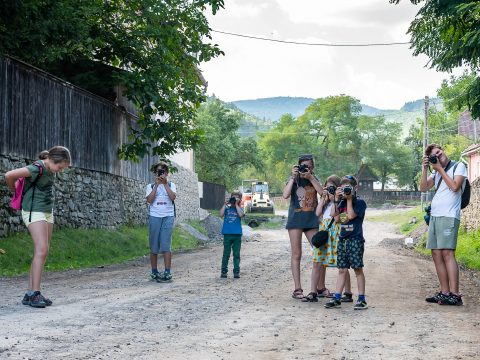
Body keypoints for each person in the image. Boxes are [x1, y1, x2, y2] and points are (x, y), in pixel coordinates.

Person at [5, 146, 71, 308]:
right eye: (60, 167)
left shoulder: (49, 168)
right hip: (34, 211)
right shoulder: (36, 168)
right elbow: (9, 175)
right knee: (41, 249)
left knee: (43, 251)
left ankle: (30, 294)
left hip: (47, 212)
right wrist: (14, 190)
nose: (60, 171)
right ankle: (35, 292)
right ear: (53, 160)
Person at [419, 143, 467, 306]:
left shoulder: (458, 166)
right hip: (435, 216)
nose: (438, 156)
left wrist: (439, 168)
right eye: (434, 156)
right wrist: (426, 168)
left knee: (447, 253)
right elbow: (423, 188)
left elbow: (454, 187)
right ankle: (444, 292)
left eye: (439, 153)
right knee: (436, 254)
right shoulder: (436, 172)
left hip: (449, 216)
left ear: (443, 151)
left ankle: (455, 294)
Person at [302, 175, 353, 302]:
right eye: (328, 187)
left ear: (338, 188)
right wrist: (324, 198)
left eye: (333, 188)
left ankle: (347, 292)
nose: (330, 190)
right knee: (317, 262)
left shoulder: (342, 201)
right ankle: (313, 292)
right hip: (324, 234)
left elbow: (336, 218)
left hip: (337, 234)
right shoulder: (325, 202)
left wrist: (335, 199)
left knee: (342, 264)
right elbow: (317, 213)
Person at [283, 154, 323, 299]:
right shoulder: (294, 179)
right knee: (296, 254)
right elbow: (286, 195)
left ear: (313, 167)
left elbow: (322, 194)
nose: (306, 169)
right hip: (296, 220)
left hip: (311, 220)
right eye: (304, 166)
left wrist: (311, 177)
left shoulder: (314, 179)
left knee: (320, 251)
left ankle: (320, 287)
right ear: (298, 166)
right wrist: (293, 177)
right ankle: (297, 289)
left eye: (309, 166)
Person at [325, 175, 368, 310]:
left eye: (348, 189)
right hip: (342, 240)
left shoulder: (360, 203)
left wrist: (349, 199)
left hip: (355, 240)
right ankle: (337, 297)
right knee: (342, 270)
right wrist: (336, 200)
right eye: (343, 189)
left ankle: (362, 299)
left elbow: (350, 216)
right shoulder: (341, 202)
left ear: (355, 188)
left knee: (357, 269)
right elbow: (335, 217)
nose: (345, 192)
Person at [146, 161, 177, 283]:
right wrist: (157, 185)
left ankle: (167, 272)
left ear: (167, 173)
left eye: (163, 171)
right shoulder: (150, 186)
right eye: (159, 171)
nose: (161, 173)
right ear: (155, 173)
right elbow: (149, 200)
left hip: (168, 216)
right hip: (154, 216)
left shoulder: (171, 185)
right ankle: (154, 271)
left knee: (166, 244)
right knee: (154, 244)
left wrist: (165, 185)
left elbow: (173, 197)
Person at [219, 191, 244, 278]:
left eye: (236, 198)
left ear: (240, 199)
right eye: (233, 197)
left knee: (236, 254)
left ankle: (236, 271)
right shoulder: (227, 208)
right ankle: (223, 271)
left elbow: (241, 215)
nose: (234, 199)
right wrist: (225, 204)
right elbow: (221, 214)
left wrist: (236, 205)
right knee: (226, 253)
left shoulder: (240, 209)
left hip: (237, 234)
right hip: (227, 234)